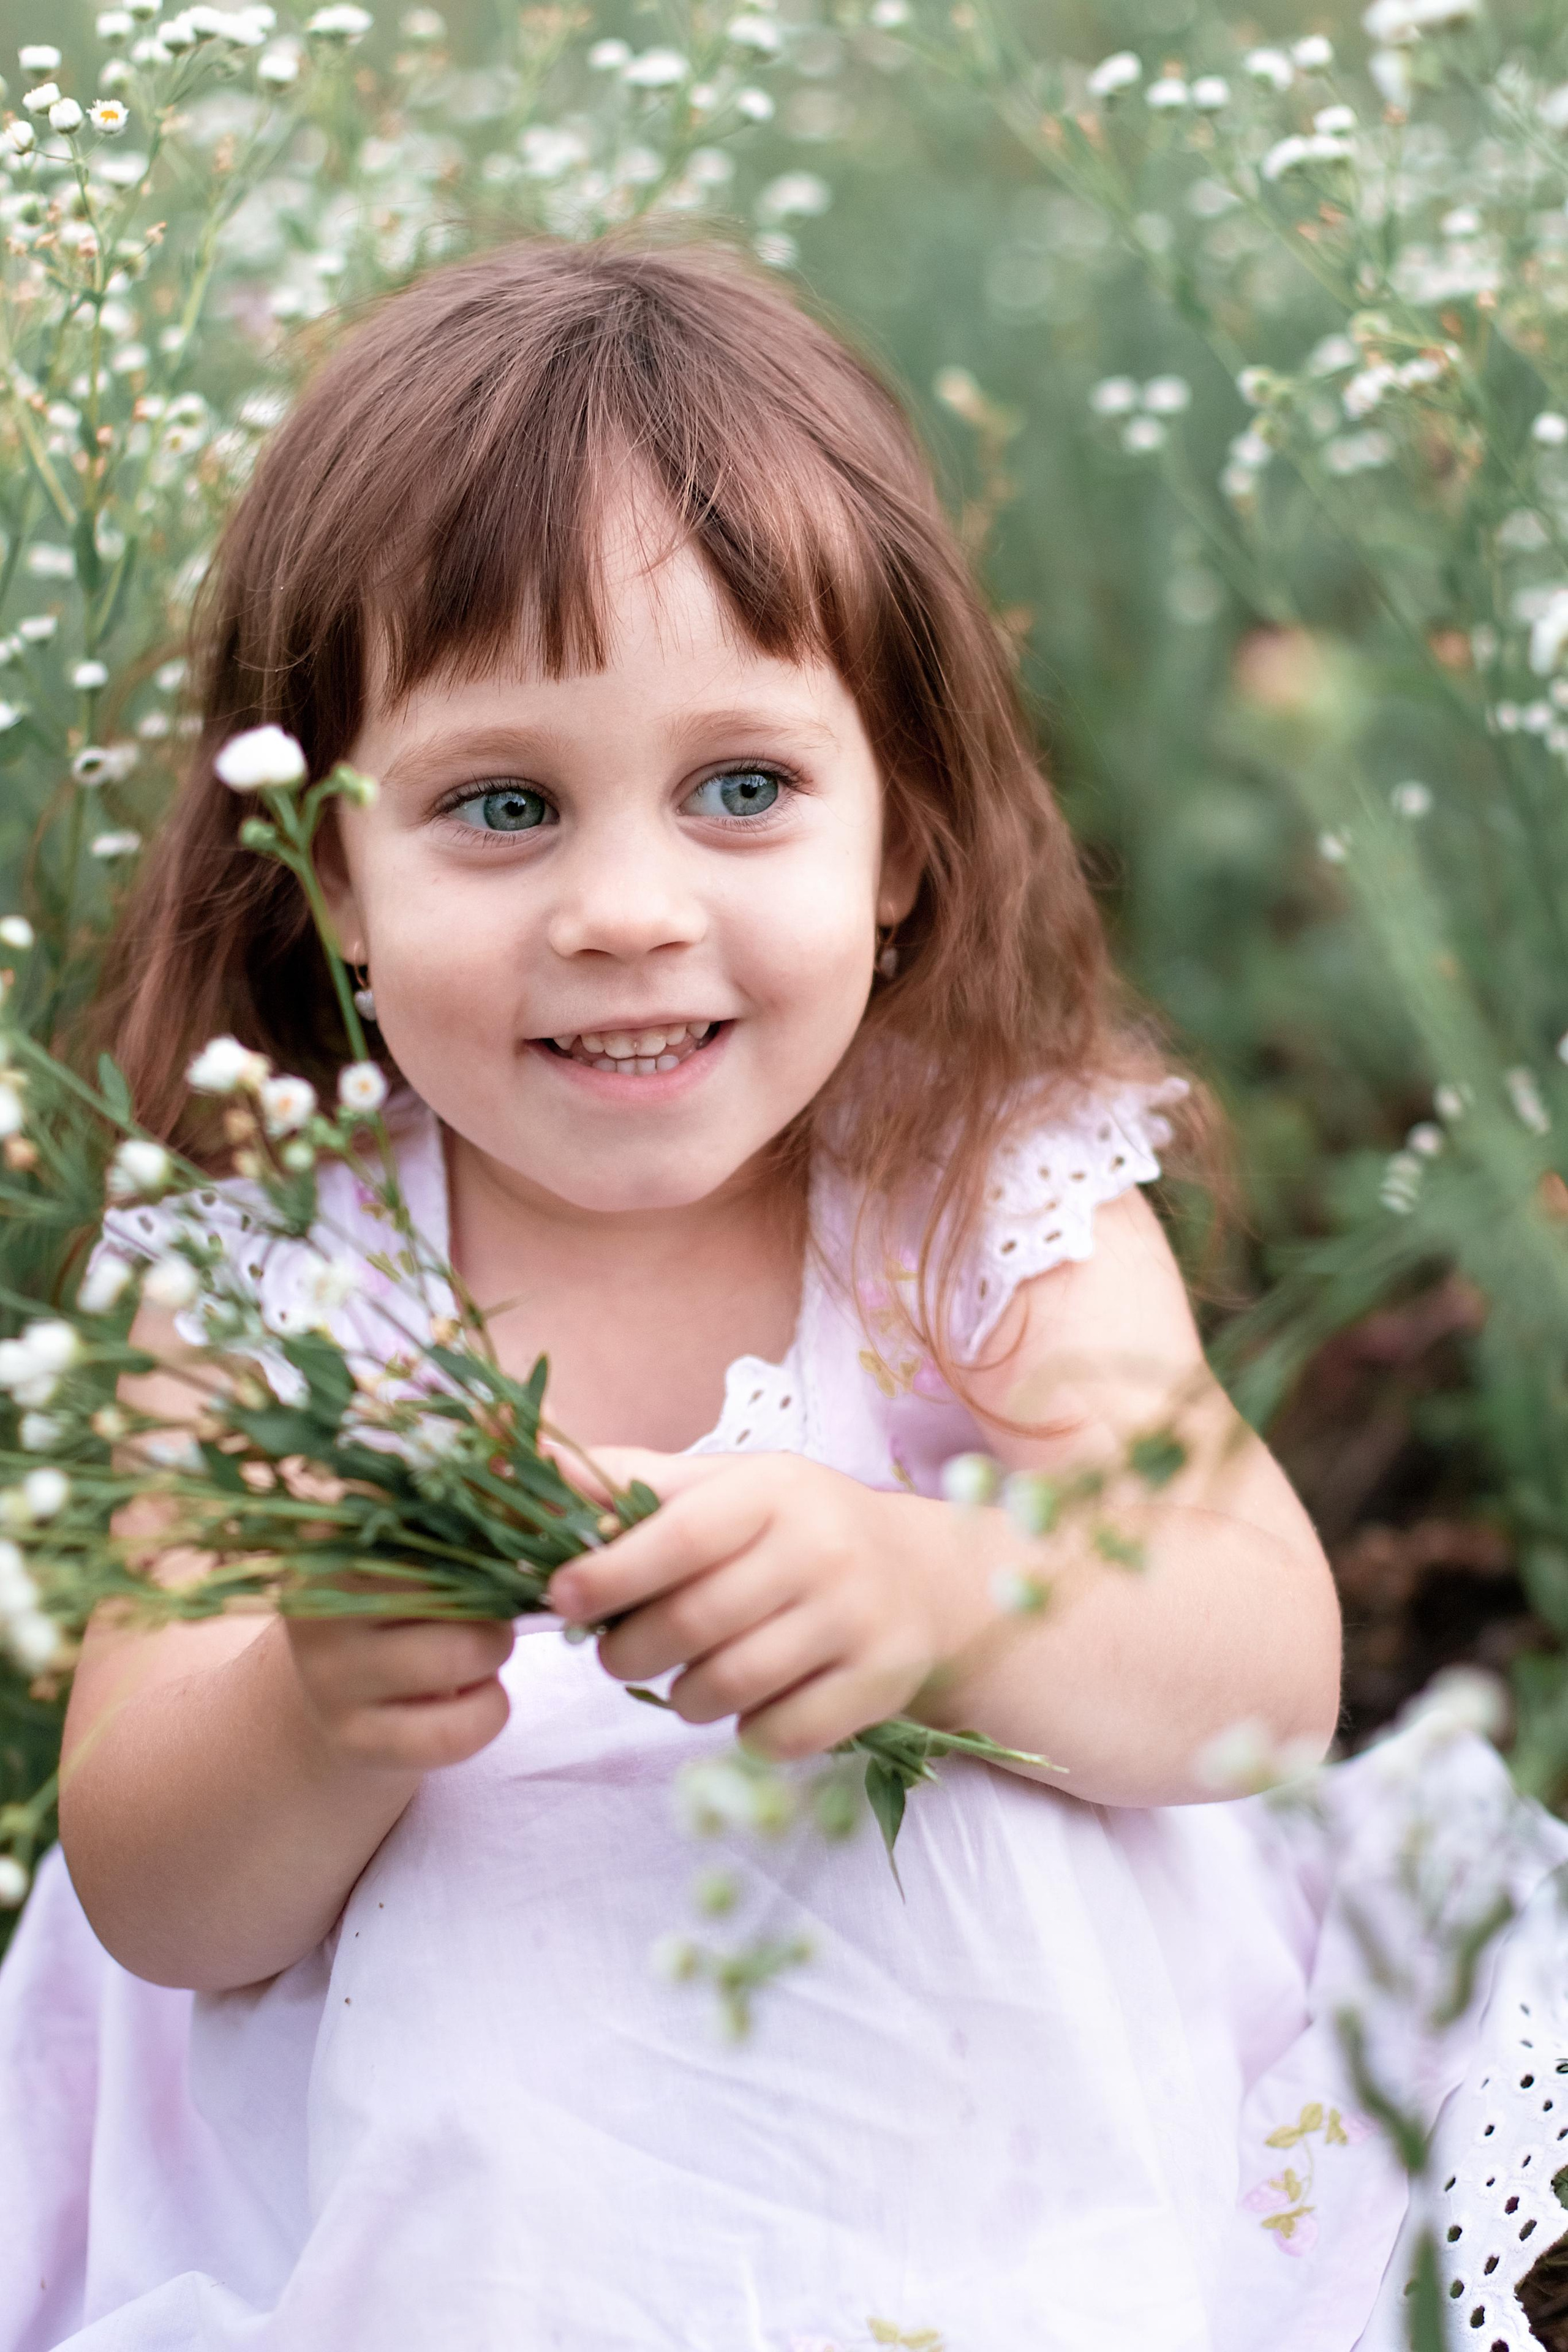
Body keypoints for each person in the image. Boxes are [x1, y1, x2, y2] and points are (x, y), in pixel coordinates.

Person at [0, 238, 1562, 2352]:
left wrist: (940, 1596)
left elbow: (1260, 1669)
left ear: (900, 840)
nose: (629, 911)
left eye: (743, 789)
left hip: (1004, 2115)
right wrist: (307, 1705)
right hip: (469, 2185)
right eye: (500, 807)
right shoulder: (268, 1279)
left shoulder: (966, 1190)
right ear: (328, 875)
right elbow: (156, 1895)